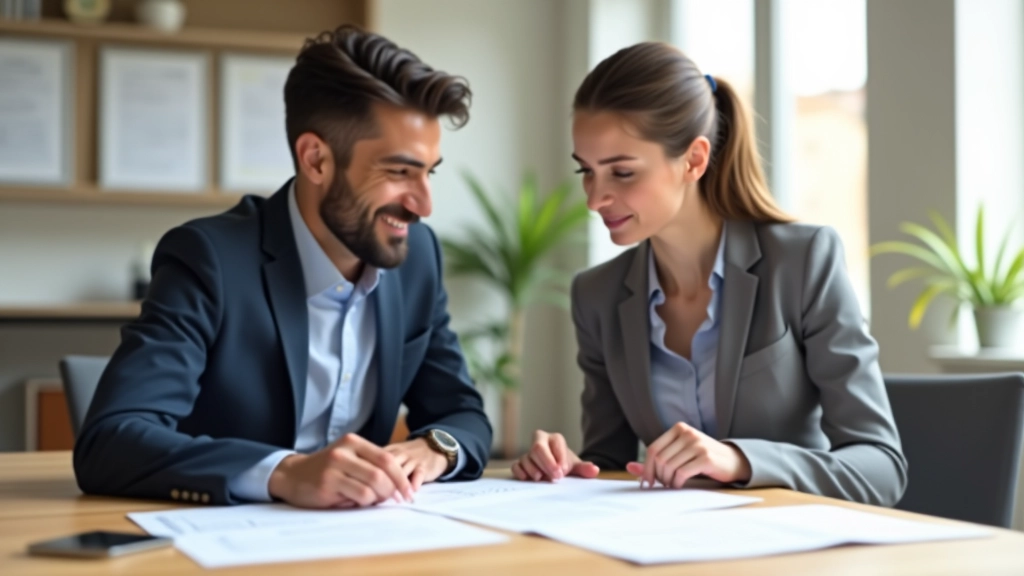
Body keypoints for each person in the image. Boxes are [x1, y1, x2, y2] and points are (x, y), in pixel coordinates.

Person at [74, 25, 492, 509]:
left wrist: (434, 448)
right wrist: (284, 473)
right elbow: (111, 440)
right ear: (316, 160)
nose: (423, 204)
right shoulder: (209, 259)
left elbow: (462, 414)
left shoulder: (416, 258)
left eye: (429, 171)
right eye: (399, 172)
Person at [513, 42, 907, 506]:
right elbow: (612, 461)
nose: (594, 198)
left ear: (694, 161)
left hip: (793, 541)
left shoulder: (802, 263)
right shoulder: (596, 295)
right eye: (587, 171)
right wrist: (566, 468)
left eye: (622, 173)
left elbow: (881, 467)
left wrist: (739, 460)